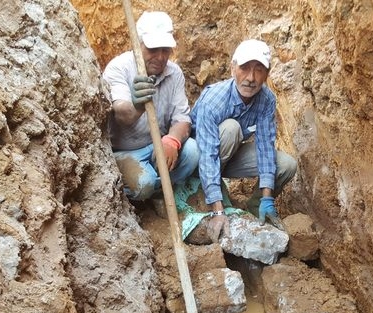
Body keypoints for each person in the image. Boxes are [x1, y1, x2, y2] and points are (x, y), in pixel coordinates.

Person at [190, 39, 297, 241]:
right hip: (198, 159)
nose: (251, 78)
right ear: (233, 68)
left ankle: (257, 206)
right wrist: (218, 211)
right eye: (245, 68)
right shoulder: (214, 99)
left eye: (259, 70)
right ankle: (205, 191)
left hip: (230, 156)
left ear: (267, 74)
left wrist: (267, 197)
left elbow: (265, 148)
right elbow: (207, 154)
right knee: (231, 128)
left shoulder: (266, 99)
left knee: (287, 165)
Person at [102, 11, 199, 201]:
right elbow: (122, 113)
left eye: (165, 49)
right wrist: (137, 106)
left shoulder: (174, 73)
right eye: (153, 49)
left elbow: (182, 118)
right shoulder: (119, 68)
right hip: (126, 151)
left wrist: (172, 140)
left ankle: (160, 193)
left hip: (157, 146)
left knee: (193, 152)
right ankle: (143, 193)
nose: (161, 57)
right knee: (143, 183)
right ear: (138, 45)